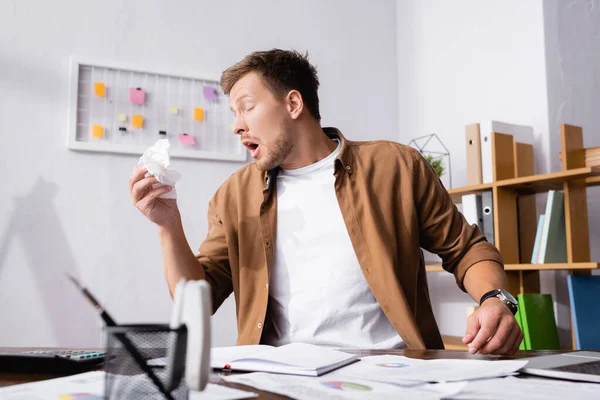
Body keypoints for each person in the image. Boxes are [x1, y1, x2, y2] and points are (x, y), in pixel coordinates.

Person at [129, 49, 523, 355]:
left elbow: (467, 248)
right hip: (277, 379)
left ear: (294, 104)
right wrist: (168, 225)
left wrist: (495, 300)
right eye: (233, 114)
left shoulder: (395, 166)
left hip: (391, 374)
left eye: (246, 107)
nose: (236, 125)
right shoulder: (233, 196)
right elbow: (196, 299)